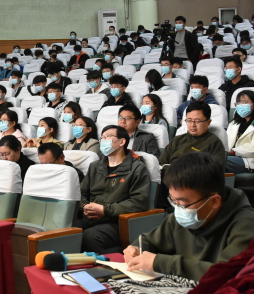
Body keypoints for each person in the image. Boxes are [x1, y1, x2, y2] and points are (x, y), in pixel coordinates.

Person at [124, 152, 254, 281]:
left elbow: (227, 274)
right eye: (173, 201)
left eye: (183, 203)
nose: (178, 209)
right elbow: (148, 241)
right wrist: (136, 249)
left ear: (214, 201)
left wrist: (161, 263)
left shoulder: (246, 225)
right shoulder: (180, 218)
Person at [80, 125, 151, 254]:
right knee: (63, 233)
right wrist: (85, 206)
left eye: (108, 136)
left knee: (90, 237)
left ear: (122, 141)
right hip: (89, 218)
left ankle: (111, 262)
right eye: (102, 137)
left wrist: (105, 210)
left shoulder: (137, 168)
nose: (103, 140)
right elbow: (81, 193)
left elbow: (139, 202)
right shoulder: (95, 166)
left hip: (116, 221)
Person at [159, 102, 226, 167]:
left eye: (197, 121)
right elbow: (161, 164)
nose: (192, 125)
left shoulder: (214, 143)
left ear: (208, 122)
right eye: (189, 120)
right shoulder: (176, 140)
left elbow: (216, 170)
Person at [227, 90, 254, 173]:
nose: (241, 105)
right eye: (238, 103)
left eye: (244, 102)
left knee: (219, 161)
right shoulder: (234, 123)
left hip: (249, 160)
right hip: (232, 156)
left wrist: (233, 152)